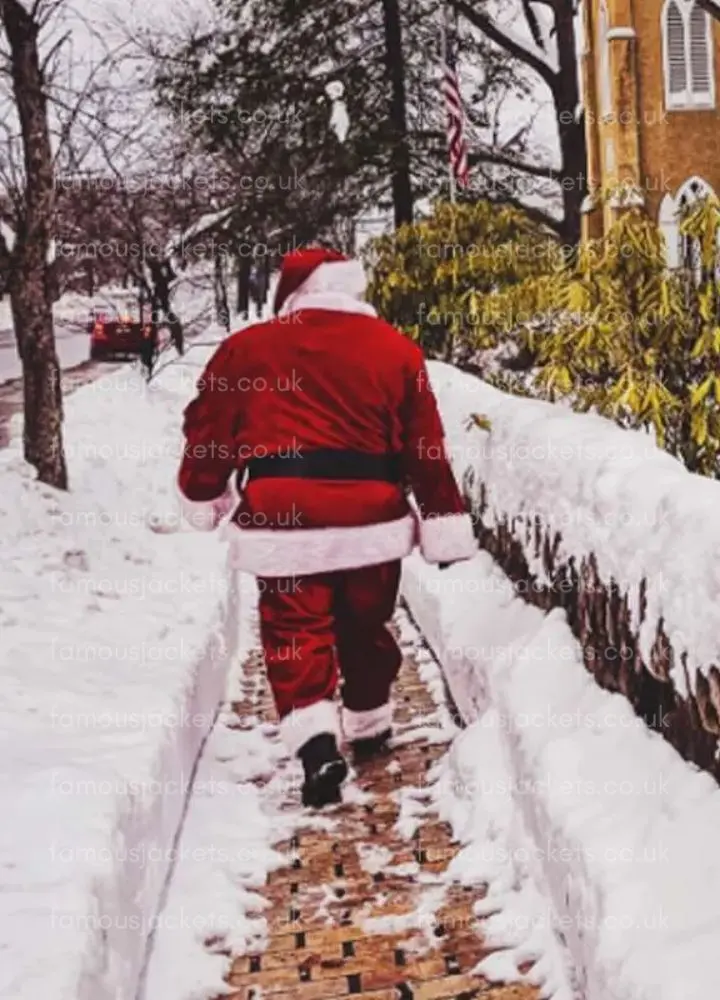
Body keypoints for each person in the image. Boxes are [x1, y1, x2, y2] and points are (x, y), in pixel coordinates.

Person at [177, 246, 477, 808]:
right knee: (365, 623)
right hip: (372, 518)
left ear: (289, 296)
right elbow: (425, 447)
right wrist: (441, 517)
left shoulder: (245, 350)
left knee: (295, 631)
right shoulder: (396, 350)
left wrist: (203, 490)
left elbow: (210, 430)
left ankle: (317, 744)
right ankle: (369, 721)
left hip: (282, 518)